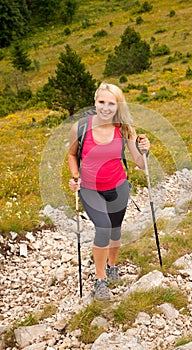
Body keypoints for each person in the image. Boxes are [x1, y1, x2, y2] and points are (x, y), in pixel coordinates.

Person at [68, 82, 150, 301]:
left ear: (118, 105)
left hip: (118, 187)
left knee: (115, 229)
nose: (105, 107)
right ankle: (100, 280)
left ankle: (112, 266)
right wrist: (75, 176)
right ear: (95, 102)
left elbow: (140, 163)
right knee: (103, 228)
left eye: (111, 103)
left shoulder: (124, 129)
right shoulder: (81, 127)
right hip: (90, 188)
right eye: (101, 102)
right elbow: (72, 155)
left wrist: (145, 150)